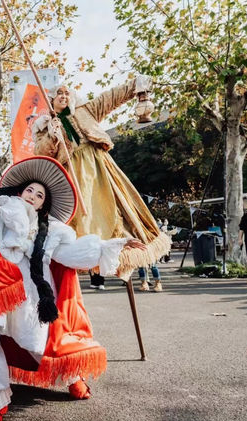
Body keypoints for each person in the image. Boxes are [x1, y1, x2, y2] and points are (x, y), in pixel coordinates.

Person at [0, 156, 144, 421]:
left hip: (30, 290)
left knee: (38, 341)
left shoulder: (53, 230)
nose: (33, 196)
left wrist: (111, 246)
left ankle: (71, 375)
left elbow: (71, 253)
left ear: (43, 203)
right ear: (20, 190)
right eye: (30, 190)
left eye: (39, 195)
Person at [32, 81, 171, 286]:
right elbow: (40, 153)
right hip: (73, 178)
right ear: (51, 99)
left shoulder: (86, 110)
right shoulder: (44, 126)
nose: (63, 96)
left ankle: (127, 253)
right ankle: (92, 256)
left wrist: (134, 85)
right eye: (58, 93)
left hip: (100, 169)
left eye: (66, 93)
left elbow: (110, 98)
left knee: (119, 209)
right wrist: (52, 135)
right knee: (84, 222)